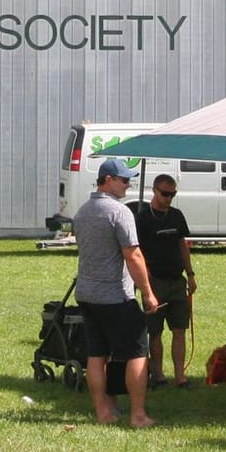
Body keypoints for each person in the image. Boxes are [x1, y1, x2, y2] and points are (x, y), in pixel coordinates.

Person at [70, 157, 162, 428]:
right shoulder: (119, 212)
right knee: (137, 352)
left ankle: (103, 412)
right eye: (124, 180)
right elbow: (133, 255)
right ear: (107, 180)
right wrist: (148, 293)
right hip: (115, 296)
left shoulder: (83, 211)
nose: (128, 184)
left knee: (97, 354)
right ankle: (138, 415)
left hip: (86, 293)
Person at [132, 173, 196, 389]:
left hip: (177, 280)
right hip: (154, 282)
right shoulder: (142, 218)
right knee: (155, 332)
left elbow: (182, 246)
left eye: (172, 194)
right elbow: (137, 252)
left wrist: (190, 274)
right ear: (154, 191)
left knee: (179, 330)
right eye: (165, 194)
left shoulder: (176, 215)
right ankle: (158, 375)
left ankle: (180, 377)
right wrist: (146, 282)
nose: (169, 198)